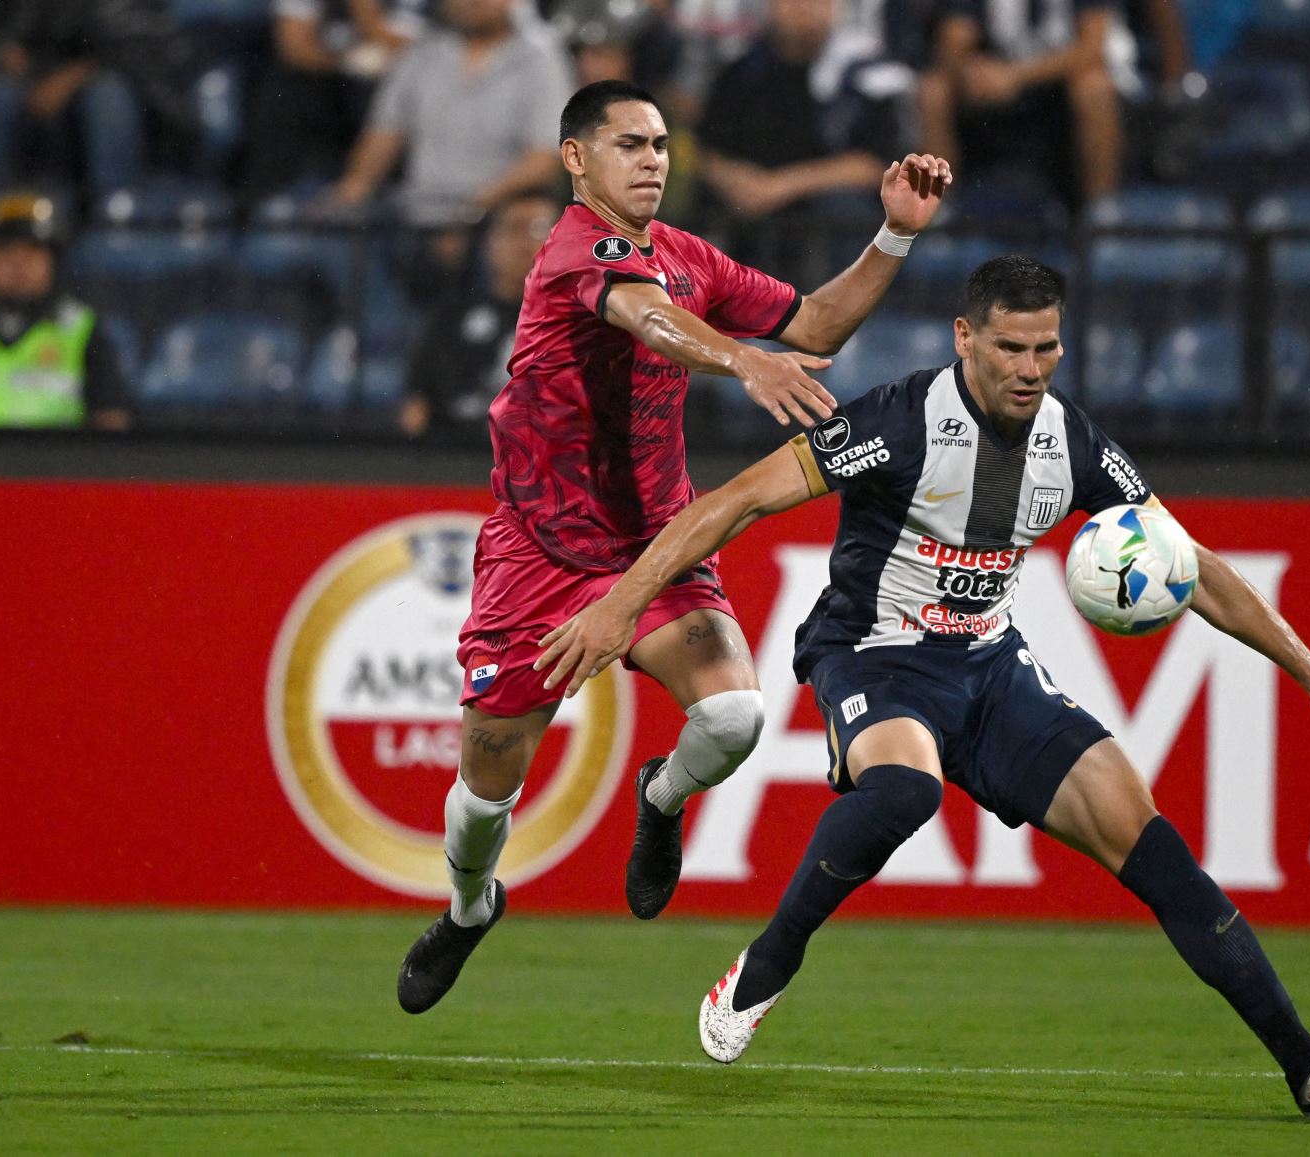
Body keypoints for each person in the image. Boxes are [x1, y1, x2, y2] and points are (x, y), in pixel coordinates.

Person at [537, 256, 1310, 1119]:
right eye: (1009, 349)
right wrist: (623, 605)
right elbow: (733, 502)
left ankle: (1303, 1061)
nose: (1030, 370)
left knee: (1146, 839)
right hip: (873, 653)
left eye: (1046, 350)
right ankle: (771, 960)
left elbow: (1196, 568)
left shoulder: (1072, 442)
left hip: (991, 670)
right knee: (906, 788)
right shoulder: (900, 421)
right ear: (965, 338)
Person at [394, 78, 952, 1014]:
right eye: (629, 144)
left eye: (659, 145)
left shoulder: (688, 257)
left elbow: (813, 325)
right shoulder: (577, 251)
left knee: (735, 719)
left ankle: (659, 798)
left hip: (657, 541)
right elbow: (642, 315)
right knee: (489, 781)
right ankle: (467, 906)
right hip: (538, 551)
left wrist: (894, 232)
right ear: (577, 158)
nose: (652, 159)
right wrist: (741, 358)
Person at [697, 0, 911, 279]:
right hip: (749, 217)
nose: (802, 7)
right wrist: (731, 179)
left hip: (830, 229)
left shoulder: (869, 74)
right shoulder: (742, 72)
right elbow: (706, 149)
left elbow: (881, 165)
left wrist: (781, 186)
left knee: (843, 206)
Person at [320, 0, 573, 230]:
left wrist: (471, 210)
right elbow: (385, 134)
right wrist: (351, 192)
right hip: (417, 220)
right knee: (314, 245)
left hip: (497, 223)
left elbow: (543, 160)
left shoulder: (542, 57)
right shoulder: (423, 51)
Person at [920, 0, 1130, 215]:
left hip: (1061, 82)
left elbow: (1092, 48)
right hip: (996, 81)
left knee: (1095, 87)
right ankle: (939, 212)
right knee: (933, 89)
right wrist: (971, 71)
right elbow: (953, 41)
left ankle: (1102, 212)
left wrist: (1016, 76)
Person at [0, 0, 194, 198]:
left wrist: (75, 75)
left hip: (127, 100)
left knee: (108, 97)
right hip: (39, 92)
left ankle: (113, 215)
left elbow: (139, 52)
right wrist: (7, 53)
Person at [399, 189, 562, 441]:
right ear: (489, 244)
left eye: (540, 229)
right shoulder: (451, 316)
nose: (526, 243)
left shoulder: (581, 322)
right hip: (458, 459)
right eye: (514, 229)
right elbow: (415, 408)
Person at [0, 192, 130, 429]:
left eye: (31, 252)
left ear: (52, 261)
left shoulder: (83, 331)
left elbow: (112, 423)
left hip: (56, 465)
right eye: (6, 251)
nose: (18, 265)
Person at [246, 0, 429, 205]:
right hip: (327, 86)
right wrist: (348, 62)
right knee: (287, 93)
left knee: (388, 98)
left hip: (383, 90)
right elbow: (294, 45)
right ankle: (274, 201)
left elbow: (407, 52)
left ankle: (369, 199)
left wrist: (363, 8)